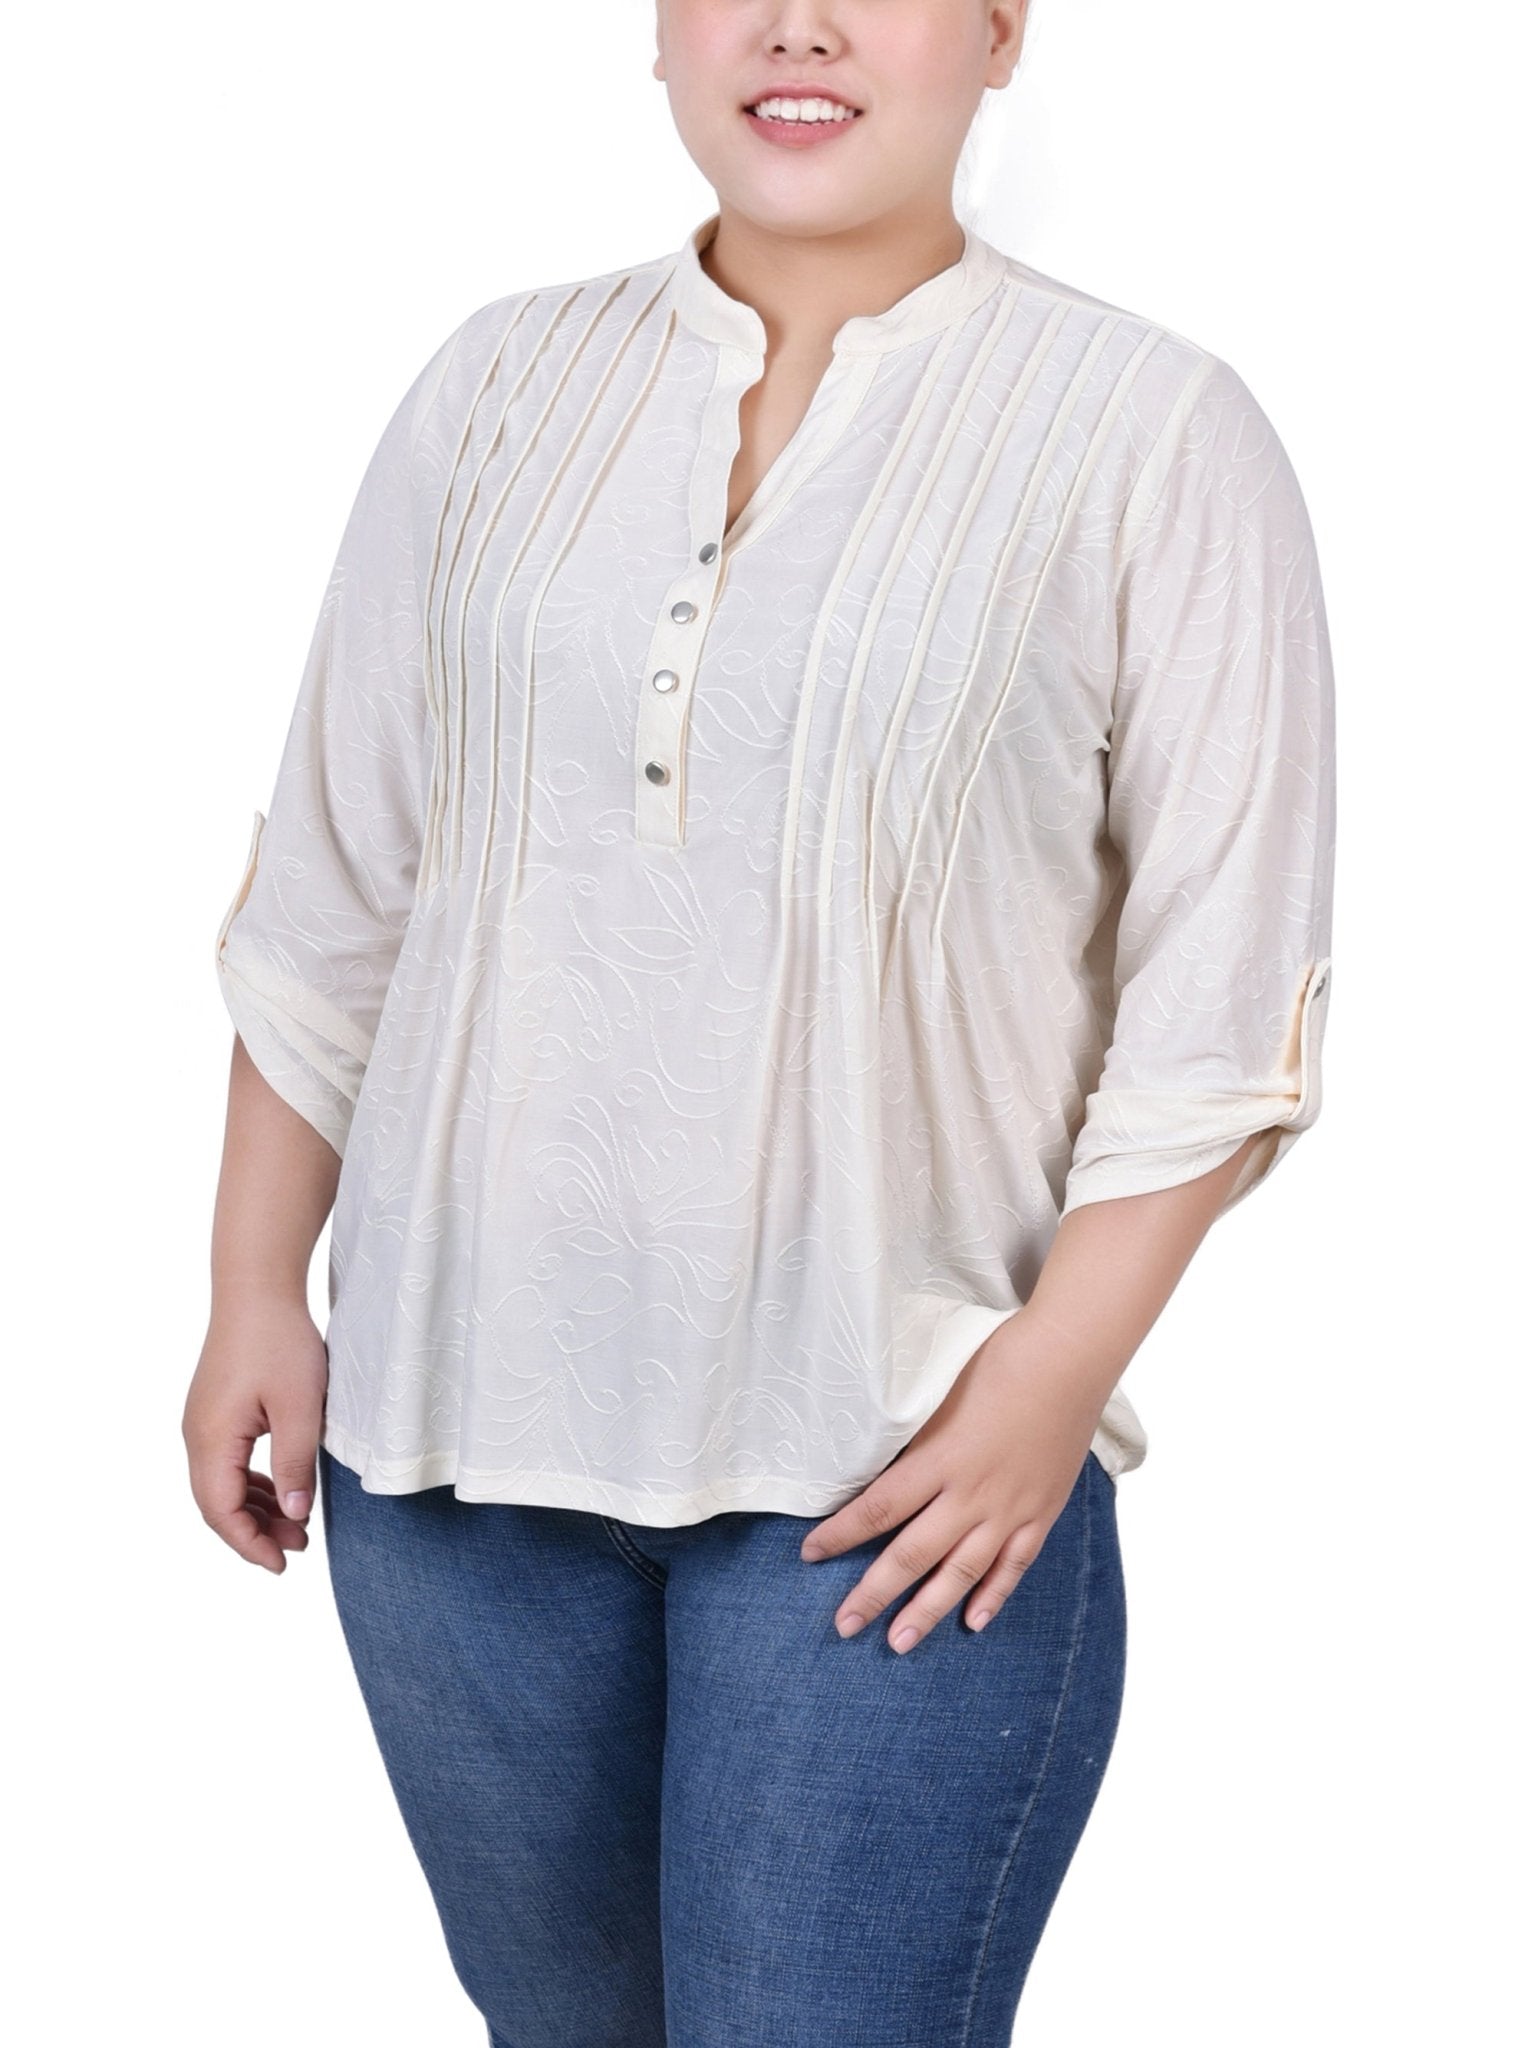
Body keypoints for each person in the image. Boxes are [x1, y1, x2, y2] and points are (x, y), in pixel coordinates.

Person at [183, 1, 1337, 2041]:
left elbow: (1226, 990)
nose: (797, 22)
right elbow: (341, 886)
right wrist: (253, 1285)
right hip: (449, 1454)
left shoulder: (1155, 433)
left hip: (893, 1466)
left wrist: (1050, 1381)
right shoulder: (494, 385)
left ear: (999, 32)